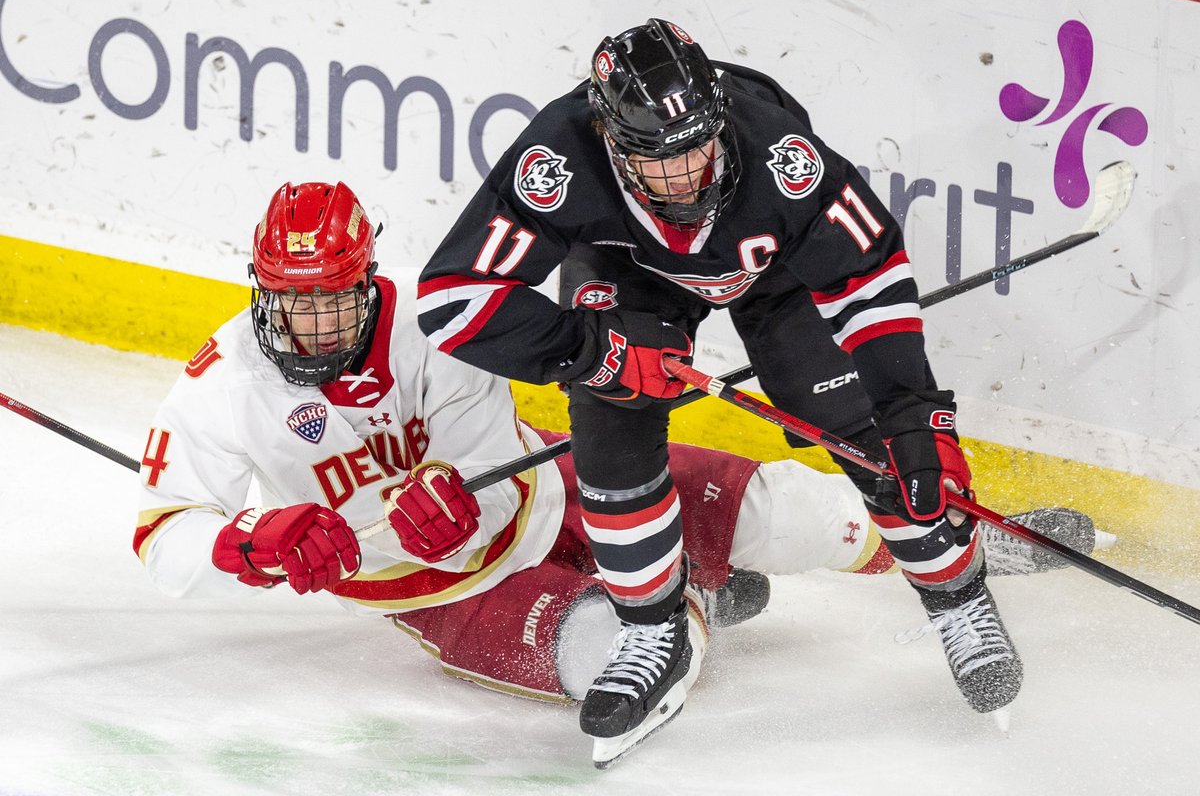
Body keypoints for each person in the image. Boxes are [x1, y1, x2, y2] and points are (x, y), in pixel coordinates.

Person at [134, 181, 1107, 767]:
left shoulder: (428, 323)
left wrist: (465, 493)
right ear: (261, 289)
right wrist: (248, 542)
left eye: (334, 302)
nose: (313, 327)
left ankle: (974, 543)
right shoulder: (223, 382)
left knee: (788, 508)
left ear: (366, 282)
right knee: (620, 656)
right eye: (292, 303)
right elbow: (162, 531)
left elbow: (483, 450)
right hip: (447, 593)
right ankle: (695, 592)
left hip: (554, 488)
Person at [415, 18, 1038, 758]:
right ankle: (651, 631)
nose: (686, 175)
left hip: (776, 277)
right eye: (659, 160)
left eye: (698, 148)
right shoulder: (557, 158)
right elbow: (452, 298)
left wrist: (911, 411)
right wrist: (597, 353)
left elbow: (869, 276)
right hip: (627, 277)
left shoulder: (779, 153)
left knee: (861, 424)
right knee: (611, 428)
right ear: (610, 139)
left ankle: (958, 596)